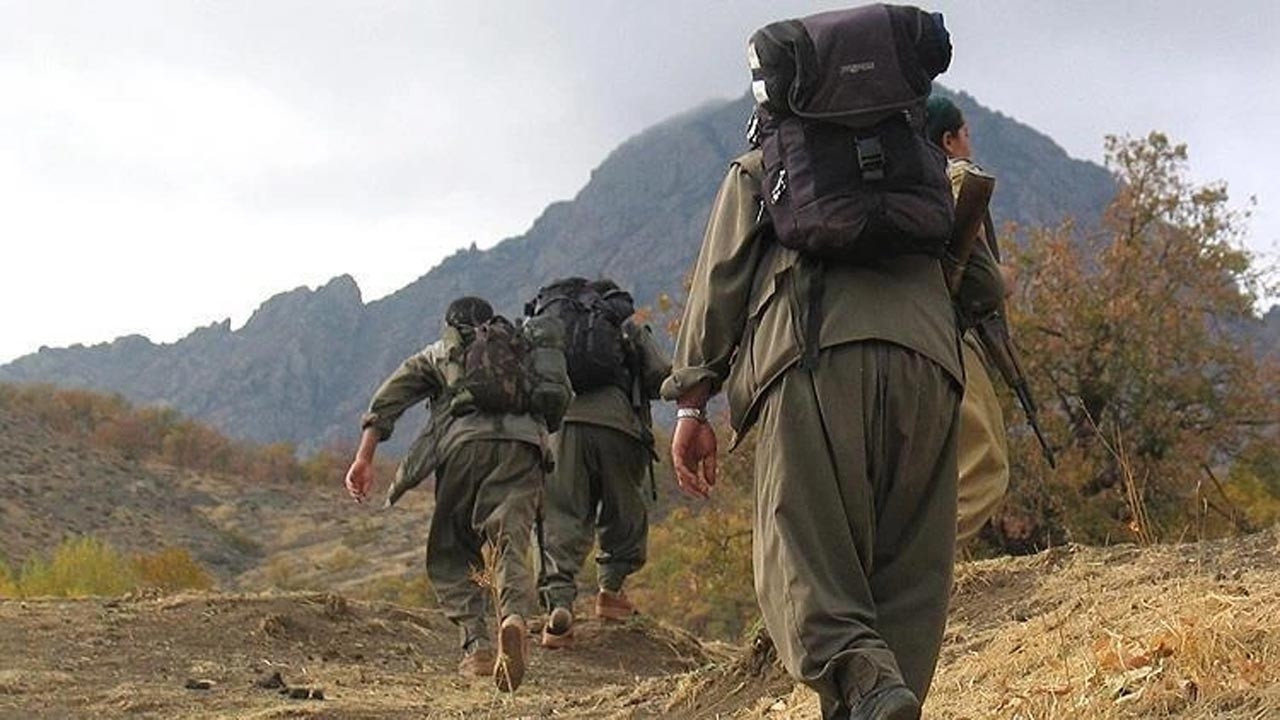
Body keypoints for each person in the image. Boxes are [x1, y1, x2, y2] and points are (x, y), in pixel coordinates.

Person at [663, 136, 963, 717]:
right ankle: (883, 695)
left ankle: (861, 674)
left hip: (811, 358)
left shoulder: (762, 169)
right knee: (908, 573)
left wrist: (692, 405)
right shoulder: (927, 164)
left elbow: (719, 285)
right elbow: (979, 285)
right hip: (929, 369)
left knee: (799, 551)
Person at [343, 296, 556, 693]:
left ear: (450, 324)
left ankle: (477, 644)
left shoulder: (441, 352)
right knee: (510, 536)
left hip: (463, 447)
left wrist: (364, 458)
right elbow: (557, 395)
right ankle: (513, 617)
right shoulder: (521, 348)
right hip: (523, 446)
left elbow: (388, 400)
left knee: (453, 547)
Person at [535, 281, 672, 648]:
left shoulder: (556, 326)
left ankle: (559, 607)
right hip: (619, 425)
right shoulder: (622, 320)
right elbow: (659, 373)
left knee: (563, 513)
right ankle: (610, 592)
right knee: (622, 508)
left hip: (563, 427)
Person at [925, 95, 1012, 546]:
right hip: (942, 334)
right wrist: (1002, 278)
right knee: (984, 467)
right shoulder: (957, 179)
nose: (969, 143)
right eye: (966, 134)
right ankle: (917, 571)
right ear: (948, 140)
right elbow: (978, 281)